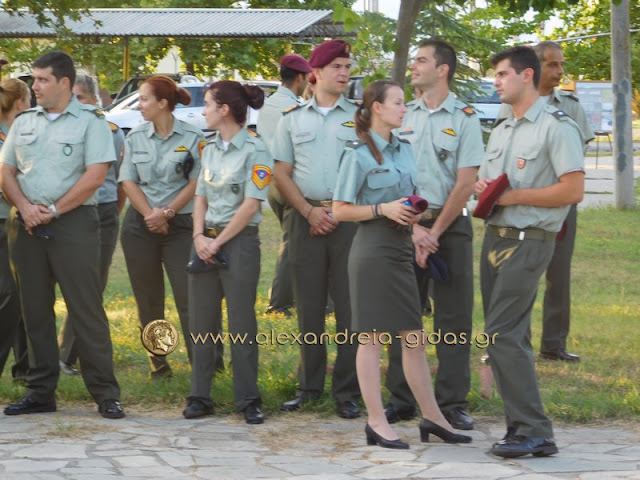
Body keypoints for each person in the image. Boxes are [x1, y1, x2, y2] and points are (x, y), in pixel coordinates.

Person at [332, 80, 472, 449]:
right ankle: (376, 422)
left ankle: (433, 418)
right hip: (372, 251)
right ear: (376, 107)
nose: (404, 108)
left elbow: (408, 199)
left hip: (400, 249)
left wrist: (414, 220)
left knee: (414, 338)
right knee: (372, 339)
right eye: (397, 102)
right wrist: (383, 208)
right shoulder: (357, 153)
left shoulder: (404, 149)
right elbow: (340, 210)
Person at [0, 51, 124, 419]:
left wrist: (53, 210)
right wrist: (25, 207)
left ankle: (105, 393)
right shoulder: (24, 122)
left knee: (85, 308)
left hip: (73, 224)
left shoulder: (91, 123)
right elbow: (6, 171)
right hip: (25, 225)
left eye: (42, 79)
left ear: (65, 83)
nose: (35, 86)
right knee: (34, 310)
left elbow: (95, 177)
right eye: (34, 79)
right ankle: (40, 391)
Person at [475, 46, 584, 458]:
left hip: (529, 240)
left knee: (501, 333)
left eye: (502, 74)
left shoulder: (556, 126)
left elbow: (573, 190)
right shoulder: (503, 127)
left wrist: (514, 196)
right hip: (496, 238)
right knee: (510, 335)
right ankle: (520, 428)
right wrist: (484, 189)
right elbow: (491, 182)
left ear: (525, 75)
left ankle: (535, 430)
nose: (496, 82)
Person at [384, 39, 483, 431]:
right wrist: (414, 230)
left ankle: (452, 403)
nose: (414, 67)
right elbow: (390, 175)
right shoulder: (402, 114)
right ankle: (402, 399)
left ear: (443, 69)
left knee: (453, 319)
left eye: (422, 61)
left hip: (450, 227)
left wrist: (434, 232)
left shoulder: (465, 117)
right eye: (413, 60)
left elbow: (466, 181)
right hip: (405, 226)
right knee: (403, 314)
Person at [273, 39, 361, 419]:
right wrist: (309, 212)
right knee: (308, 307)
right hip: (304, 219)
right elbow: (281, 173)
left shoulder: (359, 117)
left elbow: (369, 169)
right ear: (317, 73)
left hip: (348, 221)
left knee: (349, 308)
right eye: (337, 66)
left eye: (347, 67)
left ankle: (347, 391)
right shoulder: (292, 119)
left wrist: (341, 211)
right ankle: (308, 387)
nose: (344, 73)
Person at [183, 81, 270, 425]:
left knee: (241, 323)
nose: (203, 110)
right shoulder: (209, 148)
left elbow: (251, 205)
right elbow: (200, 196)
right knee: (201, 321)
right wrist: (199, 236)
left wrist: (217, 243)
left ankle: (248, 398)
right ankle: (199, 396)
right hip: (205, 241)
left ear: (224, 109)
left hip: (238, 243)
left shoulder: (257, 149)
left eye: (207, 104)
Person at [118, 75, 204, 379]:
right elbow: (127, 181)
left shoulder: (193, 137)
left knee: (189, 297)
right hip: (140, 224)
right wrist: (151, 216)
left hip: (180, 225)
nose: (139, 105)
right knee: (149, 300)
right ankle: (159, 365)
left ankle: (203, 364)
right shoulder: (135, 136)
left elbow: (197, 182)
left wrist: (167, 213)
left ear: (163, 103)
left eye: (144, 99)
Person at [57, 72, 126, 376]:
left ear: (96, 100)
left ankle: (69, 355)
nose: (76, 104)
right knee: (73, 283)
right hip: (67, 212)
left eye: (81, 98)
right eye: (71, 98)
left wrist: (112, 214)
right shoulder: (59, 128)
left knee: (92, 284)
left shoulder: (110, 131)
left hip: (102, 212)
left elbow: (121, 181)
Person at [532, 41, 594, 362]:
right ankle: (509, 343)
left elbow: (576, 157)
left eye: (561, 64)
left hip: (561, 201)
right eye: (552, 64)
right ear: (535, 66)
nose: (559, 71)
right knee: (515, 275)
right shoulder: (515, 102)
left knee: (558, 273)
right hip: (522, 203)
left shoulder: (571, 106)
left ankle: (554, 344)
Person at [257, 53, 311, 317]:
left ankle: (300, 297)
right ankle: (279, 302)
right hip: (289, 181)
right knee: (292, 241)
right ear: (300, 78)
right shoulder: (295, 108)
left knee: (296, 240)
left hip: (271, 182)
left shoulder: (268, 105)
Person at [0, 78, 30, 383]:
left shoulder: (24, 133)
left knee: (24, 294)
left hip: (19, 222)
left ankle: (25, 369)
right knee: (9, 295)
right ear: (20, 102)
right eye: (29, 99)